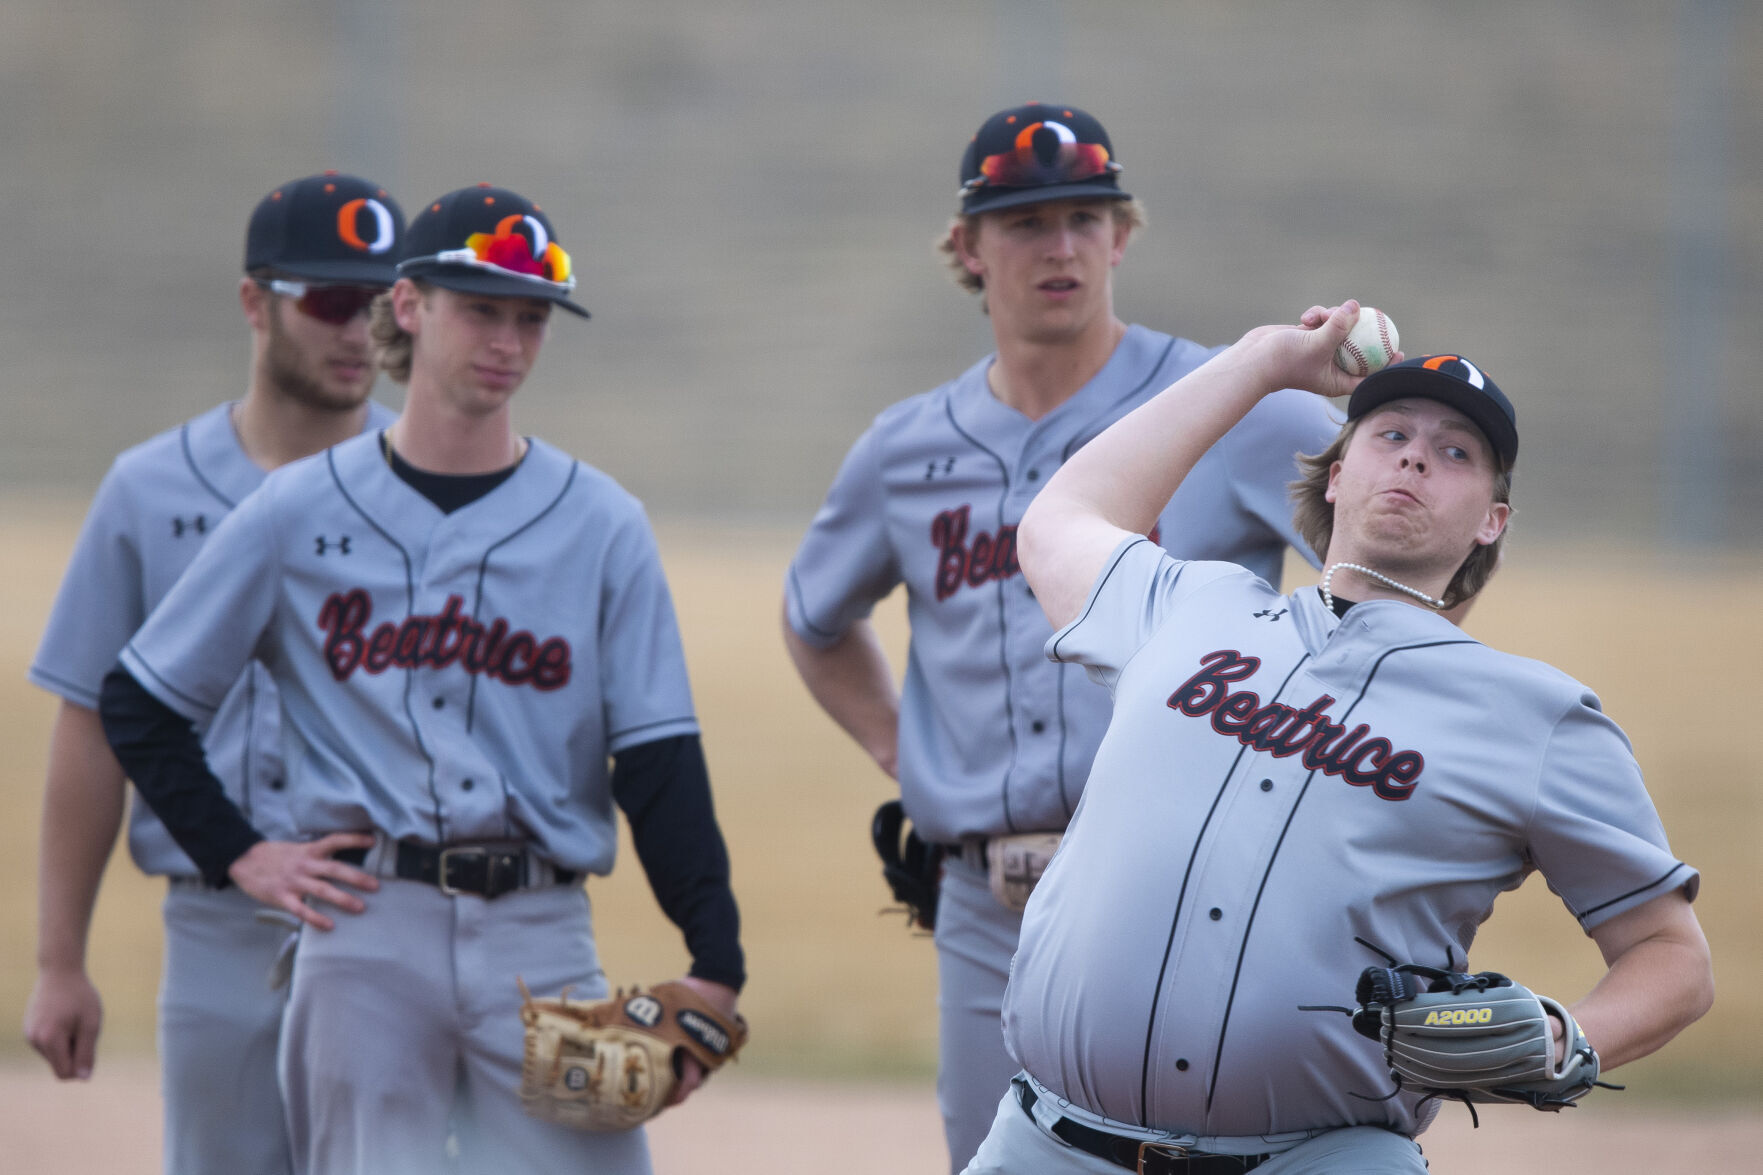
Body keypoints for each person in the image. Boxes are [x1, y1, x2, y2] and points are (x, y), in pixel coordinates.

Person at [963, 302, 1714, 1173]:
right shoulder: (1189, 607)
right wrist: (1259, 362)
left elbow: (1671, 958)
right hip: (1051, 1146)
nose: (1416, 455)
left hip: (1322, 1157)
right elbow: (1062, 516)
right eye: (1388, 432)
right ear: (1332, 474)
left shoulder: (1535, 715)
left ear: (1490, 523)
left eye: (1456, 452)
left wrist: (1561, 1039)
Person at [97, 184, 744, 1175]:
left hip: (540, 934)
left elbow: (655, 754)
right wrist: (241, 853)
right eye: (481, 308)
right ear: (407, 305)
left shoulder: (600, 523)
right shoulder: (294, 512)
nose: (509, 341)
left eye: (531, 318)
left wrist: (715, 958)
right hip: (366, 934)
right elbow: (140, 701)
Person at [781, 102, 1342, 1171]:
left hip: (1193, 884)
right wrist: (906, 755)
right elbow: (813, 617)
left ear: (1122, 236)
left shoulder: (1226, 405)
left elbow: (1398, 574)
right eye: (1027, 221)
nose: (1061, 245)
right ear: (965, 247)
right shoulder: (904, 449)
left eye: (1087, 217)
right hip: (986, 909)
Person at [24, 171, 405, 1175]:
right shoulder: (149, 489)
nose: (357, 332)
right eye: (329, 301)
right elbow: (94, 724)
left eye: (380, 305)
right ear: (255, 301)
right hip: (215, 924)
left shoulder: (425, 491)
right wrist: (60, 960)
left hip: (388, 918)